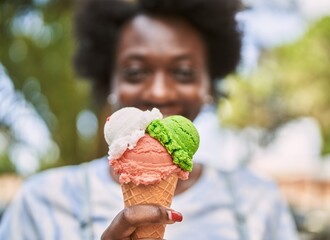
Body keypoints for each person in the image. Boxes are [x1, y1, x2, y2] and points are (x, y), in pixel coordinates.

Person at [0, 0, 299, 239]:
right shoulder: (42, 203)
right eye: (135, 72)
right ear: (110, 84)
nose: (158, 92)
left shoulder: (258, 202)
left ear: (209, 85)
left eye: (183, 73)